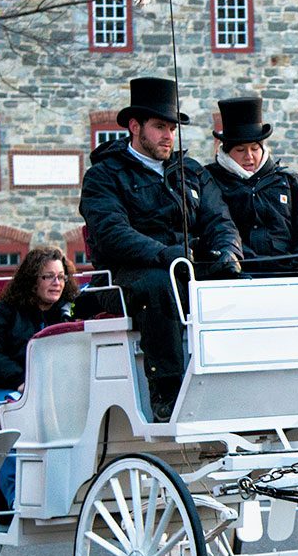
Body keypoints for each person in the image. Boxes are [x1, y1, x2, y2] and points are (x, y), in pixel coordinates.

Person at [80, 75, 242, 420]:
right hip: (125, 277)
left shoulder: (192, 173)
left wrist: (228, 252)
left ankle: (236, 382)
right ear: (135, 127)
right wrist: (167, 255)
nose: (168, 136)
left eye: (172, 128)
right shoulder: (104, 176)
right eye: (159, 127)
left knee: (238, 285)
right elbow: (112, 233)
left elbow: (220, 221)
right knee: (158, 285)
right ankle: (167, 394)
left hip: (184, 269)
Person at [0, 246, 79, 525]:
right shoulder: (7, 311)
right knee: (18, 416)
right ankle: (13, 497)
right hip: (6, 393)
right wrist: (21, 380)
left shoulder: (66, 314)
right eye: (48, 277)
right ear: (33, 279)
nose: (57, 283)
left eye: (61, 277)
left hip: (52, 395)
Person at [206, 95, 298, 275]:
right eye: (240, 150)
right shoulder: (209, 181)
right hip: (237, 274)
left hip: (289, 272)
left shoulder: (290, 182)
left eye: (254, 149)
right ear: (226, 150)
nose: (249, 156)